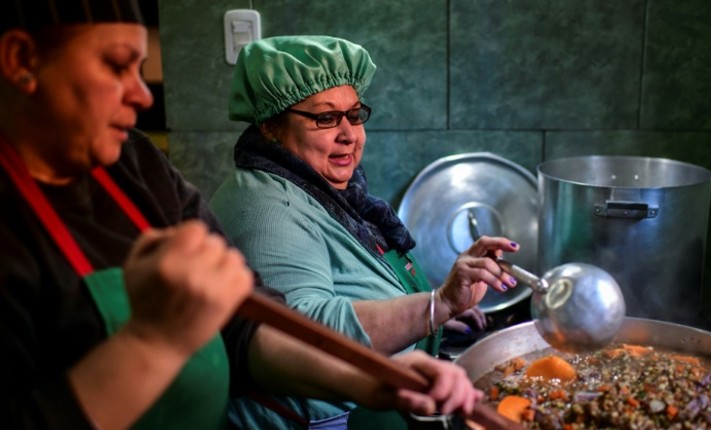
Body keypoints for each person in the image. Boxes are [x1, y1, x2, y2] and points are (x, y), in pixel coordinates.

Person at [0, 3, 485, 429]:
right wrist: (152, 341)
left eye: (354, 115)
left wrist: (371, 381)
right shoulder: (267, 206)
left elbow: (246, 326)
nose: (143, 95)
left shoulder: (134, 164)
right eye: (116, 66)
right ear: (22, 60)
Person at [210, 35, 521, 429]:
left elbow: (353, 284)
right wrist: (435, 305)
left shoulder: (322, 187)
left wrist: (432, 315)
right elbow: (302, 332)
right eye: (325, 118)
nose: (348, 135)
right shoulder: (269, 208)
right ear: (271, 126)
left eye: (354, 115)